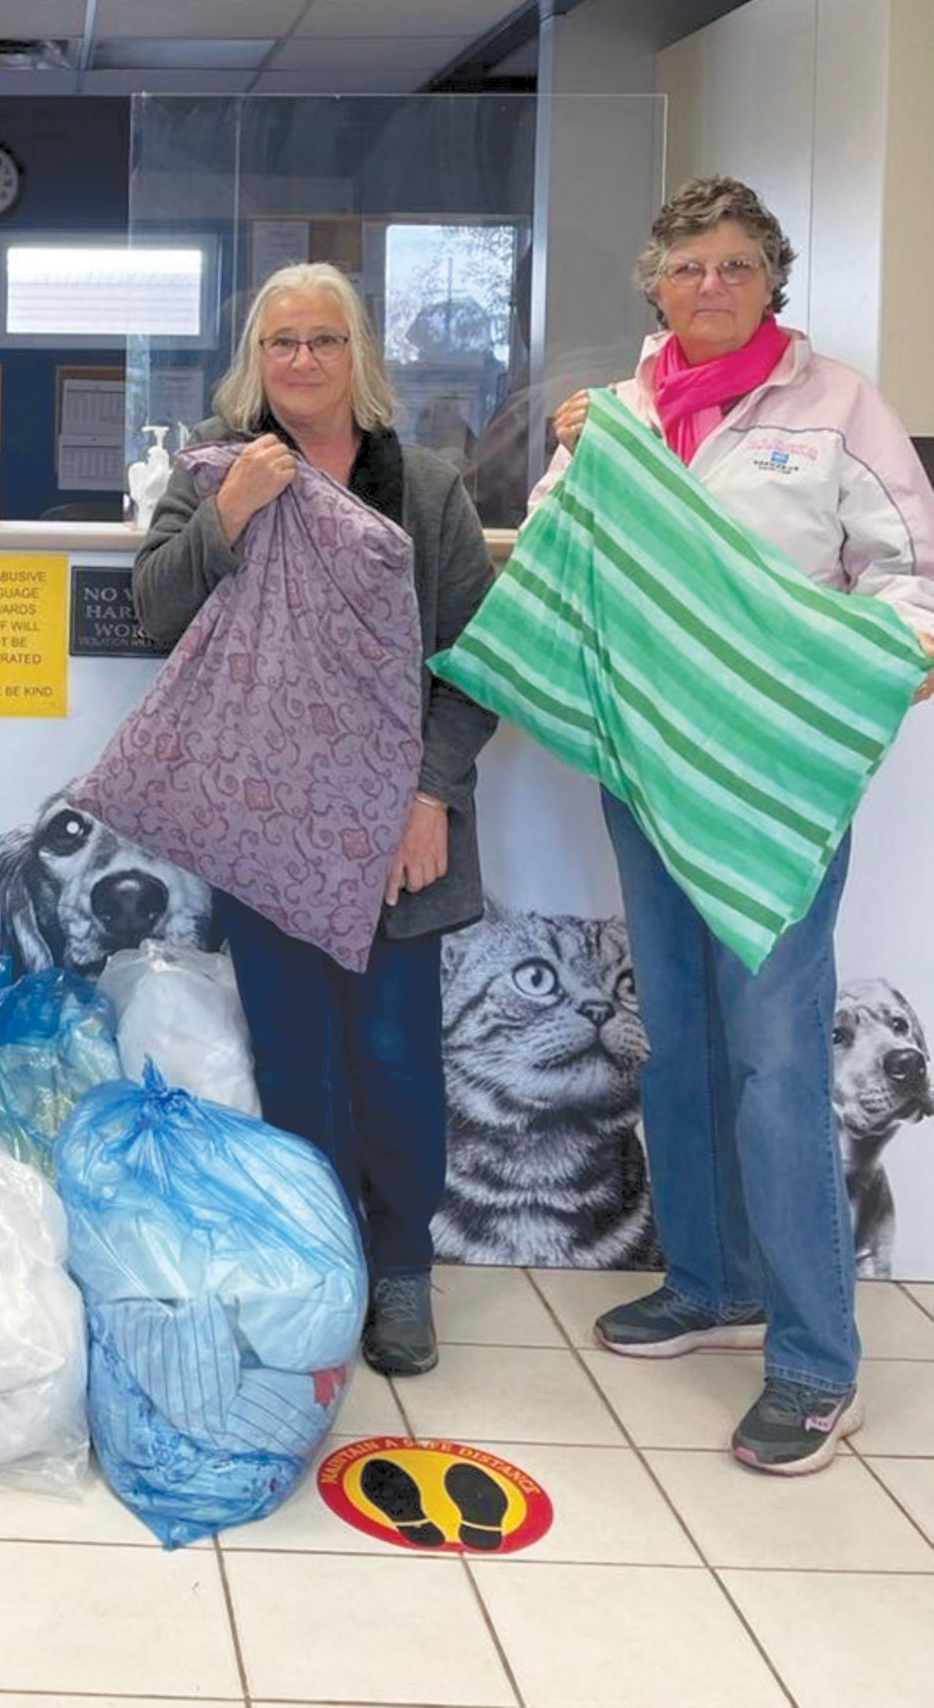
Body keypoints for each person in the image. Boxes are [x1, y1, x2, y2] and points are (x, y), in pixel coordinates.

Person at [544, 174, 934, 1475]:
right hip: (651, 771)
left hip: (773, 783)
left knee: (776, 1066)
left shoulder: (840, 410)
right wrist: (572, 455)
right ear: (652, 284)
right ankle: (711, 1285)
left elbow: (914, 586)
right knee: (682, 1045)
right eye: (687, 266)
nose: (710, 285)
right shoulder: (614, 420)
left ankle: (819, 1366)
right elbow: (557, 557)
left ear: (775, 281)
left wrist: (841, 681)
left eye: (736, 265)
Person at [132, 260, 496, 1378]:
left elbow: (481, 663)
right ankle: (317, 1253)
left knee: (389, 1052)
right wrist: (228, 514)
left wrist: (430, 793)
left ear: (357, 358)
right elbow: (153, 614)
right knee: (293, 1053)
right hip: (266, 819)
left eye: (321, 341)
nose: (300, 361)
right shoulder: (214, 470)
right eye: (280, 341)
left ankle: (399, 1272)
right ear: (256, 358)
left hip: (397, 830)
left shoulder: (421, 486)